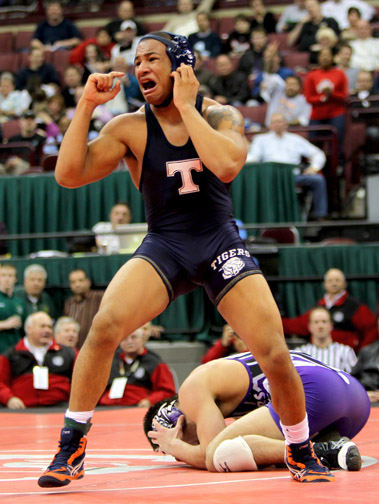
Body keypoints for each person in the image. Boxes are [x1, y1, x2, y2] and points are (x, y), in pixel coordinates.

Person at [38, 31, 333, 488]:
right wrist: (86, 107)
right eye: (136, 61)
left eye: (151, 59)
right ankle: (71, 445)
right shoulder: (130, 127)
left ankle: (300, 448)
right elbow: (69, 175)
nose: (140, 69)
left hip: (219, 242)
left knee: (273, 350)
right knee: (103, 326)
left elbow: (228, 165)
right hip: (166, 244)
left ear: (182, 67)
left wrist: (190, 108)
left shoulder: (220, 114)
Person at [144, 350, 369, 473]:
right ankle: (337, 450)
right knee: (250, 447)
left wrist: (175, 446)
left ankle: (322, 452)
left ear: (177, 423)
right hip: (354, 399)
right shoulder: (217, 381)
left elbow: (208, 454)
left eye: (180, 442)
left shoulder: (190, 391)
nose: (181, 453)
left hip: (315, 391)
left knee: (219, 452)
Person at [247, 113, 328, 220]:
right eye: (274, 122)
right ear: (269, 125)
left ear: (286, 124)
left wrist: (314, 168)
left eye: (280, 121)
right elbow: (254, 157)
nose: (277, 124)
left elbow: (318, 154)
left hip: (293, 176)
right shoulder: (260, 139)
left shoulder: (296, 139)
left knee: (318, 180)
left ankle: (320, 216)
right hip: (270, 178)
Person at [283, 268, 378, 353]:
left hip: (346, 357)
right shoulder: (319, 306)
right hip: (319, 355)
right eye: (330, 280)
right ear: (325, 284)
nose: (334, 283)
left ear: (345, 284)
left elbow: (371, 331)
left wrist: (363, 353)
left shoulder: (355, 307)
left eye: (337, 280)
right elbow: (299, 325)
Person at [0, 312, 75, 409]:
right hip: (22, 411)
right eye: (42, 326)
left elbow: (80, 381)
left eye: (49, 327)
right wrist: (9, 399)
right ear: (28, 329)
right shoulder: (11, 354)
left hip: (60, 408)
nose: (47, 330)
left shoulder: (69, 353)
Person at [99, 326, 176, 408]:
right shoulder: (110, 360)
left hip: (137, 409)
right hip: (107, 408)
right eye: (124, 339)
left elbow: (168, 392)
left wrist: (150, 401)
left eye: (133, 337)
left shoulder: (155, 362)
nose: (129, 341)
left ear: (142, 339)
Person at [304, 47, 348, 166]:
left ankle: (338, 166)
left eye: (327, 55)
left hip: (336, 113)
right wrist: (322, 98)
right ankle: (314, 167)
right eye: (322, 55)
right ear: (318, 58)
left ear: (332, 57)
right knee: (313, 142)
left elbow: (344, 96)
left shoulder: (339, 74)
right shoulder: (312, 75)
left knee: (337, 142)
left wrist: (331, 94)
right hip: (317, 114)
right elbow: (308, 98)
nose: (325, 58)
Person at [294, 307, 357, 372]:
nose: (320, 326)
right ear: (309, 326)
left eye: (324, 322)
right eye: (316, 322)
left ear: (331, 325)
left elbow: (354, 380)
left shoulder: (345, 352)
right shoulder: (301, 354)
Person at [63, 269, 103, 349]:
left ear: (88, 282)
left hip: (95, 347)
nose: (77, 284)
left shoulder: (98, 297)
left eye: (80, 280)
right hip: (73, 349)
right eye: (73, 282)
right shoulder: (69, 302)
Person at [0, 264, 24, 354]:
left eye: (10, 276)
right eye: (3, 275)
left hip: (16, 351)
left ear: (15, 279)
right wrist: (5, 324)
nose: (7, 279)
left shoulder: (19, 302)